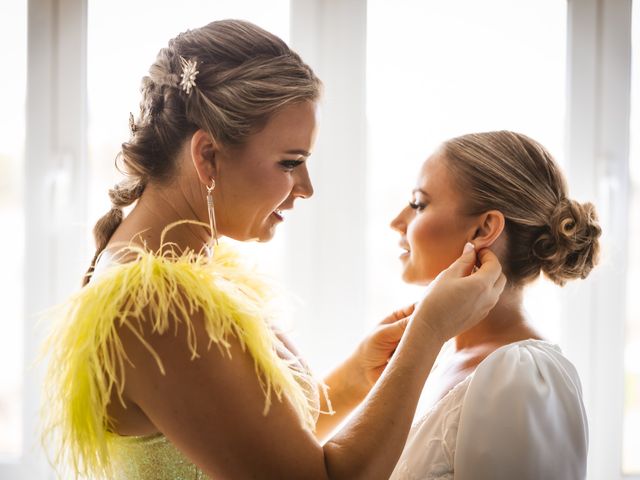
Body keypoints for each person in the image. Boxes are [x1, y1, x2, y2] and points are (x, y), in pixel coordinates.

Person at [40, 20, 506, 479]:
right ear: (207, 156)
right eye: (290, 163)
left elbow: (255, 446)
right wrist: (428, 333)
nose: (306, 188)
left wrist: (359, 375)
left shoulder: (182, 272)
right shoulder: (155, 307)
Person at [387, 131, 601, 480]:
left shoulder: (521, 376)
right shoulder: (439, 356)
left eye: (419, 204)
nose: (397, 222)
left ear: (484, 228)